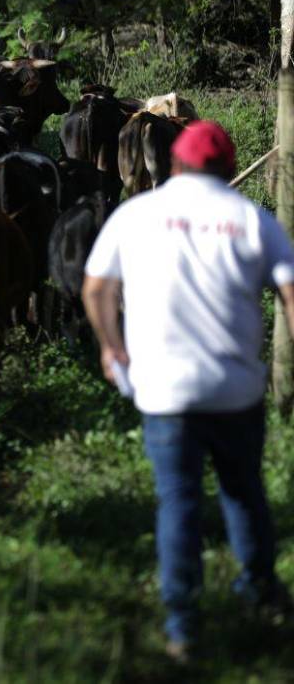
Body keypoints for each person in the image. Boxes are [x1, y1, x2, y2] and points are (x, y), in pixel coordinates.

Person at [82, 120, 294, 661]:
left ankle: (183, 624)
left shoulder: (136, 216)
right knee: (244, 491)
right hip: (236, 390)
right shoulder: (251, 218)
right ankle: (260, 595)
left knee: (178, 502)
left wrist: (111, 346)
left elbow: (97, 286)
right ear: (228, 169)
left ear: (172, 165)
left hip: (164, 391)